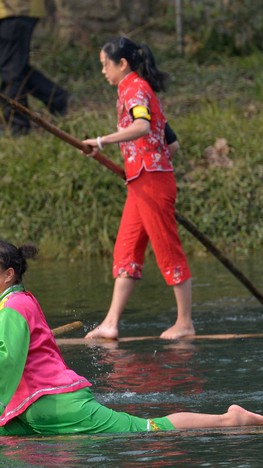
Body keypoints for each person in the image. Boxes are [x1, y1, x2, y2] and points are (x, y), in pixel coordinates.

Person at [0, 239, 263, 439]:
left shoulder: (12, 308)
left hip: (53, 403)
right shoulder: (16, 303)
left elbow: (7, 359)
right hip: (29, 406)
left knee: (145, 429)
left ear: (7, 275)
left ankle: (229, 420)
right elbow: (13, 355)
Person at [81, 37, 193, 341]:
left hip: (152, 181)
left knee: (167, 248)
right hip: (140, 181)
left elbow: (143, 127)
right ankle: (111, 323)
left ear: (122, 64)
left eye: (105, 64)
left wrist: (103, 142)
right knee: (127, 250)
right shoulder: (139, 90)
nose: (103, 71)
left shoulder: (134, 88)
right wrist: (135, 152)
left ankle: (184, 322)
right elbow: (173, 143)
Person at [0, 0, 70, 135]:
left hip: (14, 9)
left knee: (11, 71)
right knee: (15, 68)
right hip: (12, 10)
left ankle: (17, 125)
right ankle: (58, 100)